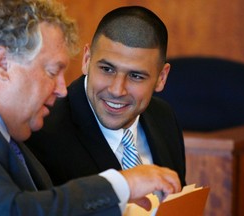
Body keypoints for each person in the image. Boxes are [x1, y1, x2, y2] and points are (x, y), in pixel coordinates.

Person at [0, 0, 181, 215]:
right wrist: (121, 185)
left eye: (135, 76)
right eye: (51, 72)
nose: (61, 89)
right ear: (2, 63)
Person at [26, 5, 186, 188]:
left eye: (136, 76)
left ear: (161, 78)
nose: (117, 90)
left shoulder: (164, 117)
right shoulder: (42, 131)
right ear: (87, 60)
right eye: (107, 69)